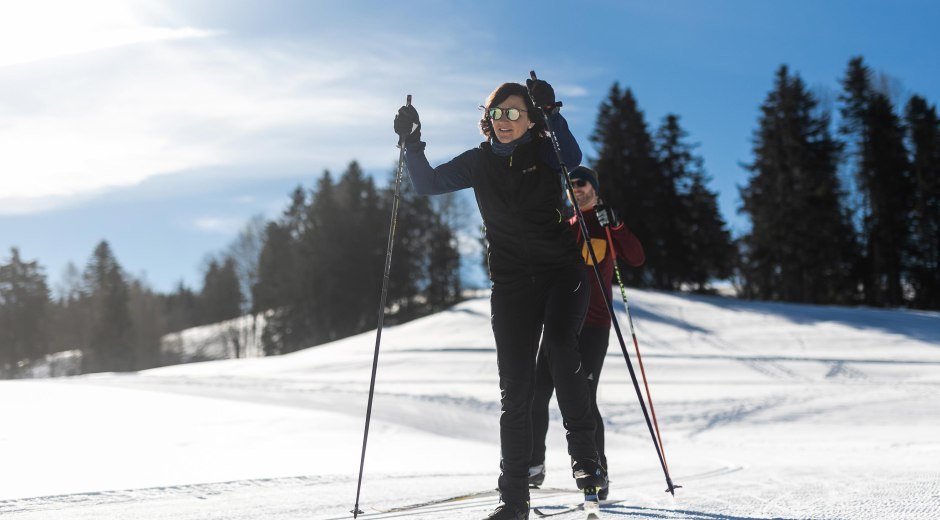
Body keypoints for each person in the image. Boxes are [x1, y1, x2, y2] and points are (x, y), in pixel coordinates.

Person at [394, 79, 607, 520]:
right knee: (516, 389)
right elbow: (428, 184)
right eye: (497, 113)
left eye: (514, 113)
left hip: (561, 273)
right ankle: (514, 500)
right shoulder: (478, 162)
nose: (504, 121)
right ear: (486, 119)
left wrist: (552, 111)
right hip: (511, 285)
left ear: (529, 120)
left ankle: (586, 460)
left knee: (562, 351)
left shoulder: (546, 150)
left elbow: (572, 157)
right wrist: (412, 144)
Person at [527, 166, 645, 501]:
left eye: (581, 184)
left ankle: (598, 471)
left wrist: (618, 225)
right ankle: (534, 465)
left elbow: (636, 257)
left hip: (592, 326)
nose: (575, 189)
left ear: (594, 188)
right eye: (570, 184)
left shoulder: (605, 224)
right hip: (559, 325)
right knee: (536, 394)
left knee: (583, 400)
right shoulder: (565, 227)